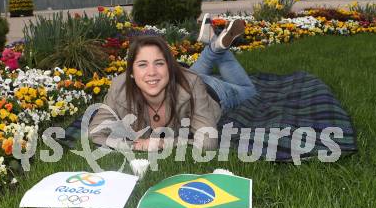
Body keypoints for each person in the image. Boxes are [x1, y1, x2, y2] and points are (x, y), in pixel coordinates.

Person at [89, 13, 257, 151]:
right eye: (142, 65)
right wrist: (133, 146)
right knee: (191, 75)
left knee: (249, 90)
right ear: (131, 72)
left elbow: (208, 142)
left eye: (159, 63)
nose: (151, 72)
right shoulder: (119, 88)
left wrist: (163, 144)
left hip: (214, 91)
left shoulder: (192, 84)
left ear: (169, 67)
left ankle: (216, 47)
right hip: (183, 79)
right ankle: (214, 44)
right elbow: (96, 132)